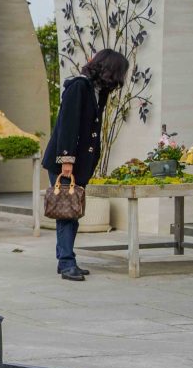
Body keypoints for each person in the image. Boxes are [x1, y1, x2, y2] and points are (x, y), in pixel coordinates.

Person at [42, 49, 130, 282]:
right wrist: (67, 161)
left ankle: (67, 259)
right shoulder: (79, 87)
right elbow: (67, 126)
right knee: (66, 211)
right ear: (110, 70)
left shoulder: (98, 91)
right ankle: (67, 262)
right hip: (66, 161)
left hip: (80, 162)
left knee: (72, 210)